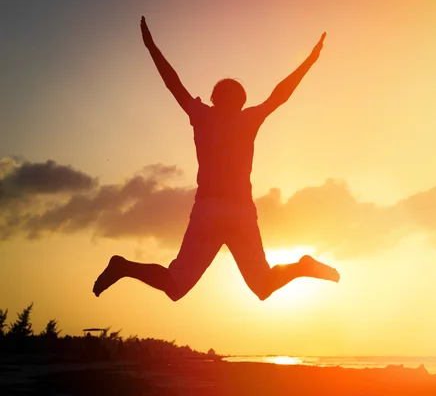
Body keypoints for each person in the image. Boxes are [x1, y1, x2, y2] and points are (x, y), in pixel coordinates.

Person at [93, 16, 340, 302]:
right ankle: (301, 268)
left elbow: (173, 83)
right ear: (242, 102)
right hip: (240, 212)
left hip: (208, 211)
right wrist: (309, 61)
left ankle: (124, 267)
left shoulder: (202, 115)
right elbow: (279, 95)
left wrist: (151, 47)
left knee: (174, 286)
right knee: (262, 286)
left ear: (213, 98)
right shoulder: (249, 119)